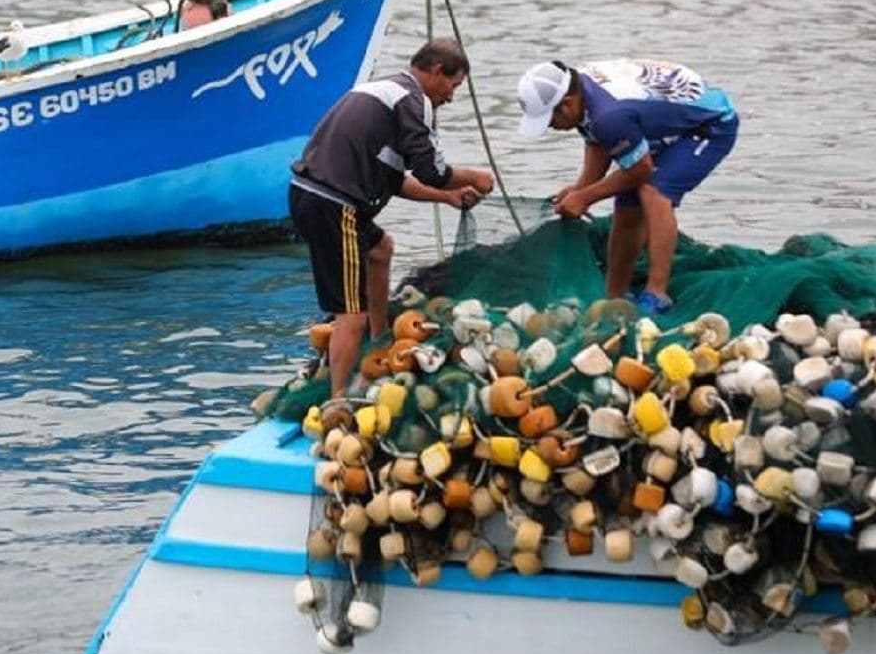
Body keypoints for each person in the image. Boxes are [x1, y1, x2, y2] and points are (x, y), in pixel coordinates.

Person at [289, 38, 497, 401]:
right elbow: (432, 171)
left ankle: (379, 338)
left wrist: (447, 197)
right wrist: (474, 177)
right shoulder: (413, 101)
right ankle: (338, 400)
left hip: (311, 194)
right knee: (350, 315)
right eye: (453, 85)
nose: (451, 97)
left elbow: (394, 179)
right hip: (336, 205)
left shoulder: (386, 92)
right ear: (436, 71)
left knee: (381, 248)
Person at [515, 58, 739, 316]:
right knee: (626, 204)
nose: (550, 127)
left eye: (549, 120)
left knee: (653, 192)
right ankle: (615, 294)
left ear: (566, 104)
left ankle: (657, 294)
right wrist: (581, 188)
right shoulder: (580, 92)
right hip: (659, 125)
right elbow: (597, 140)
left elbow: (640, 170)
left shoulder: (608, 116)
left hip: (709, 125)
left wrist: (585, 197)